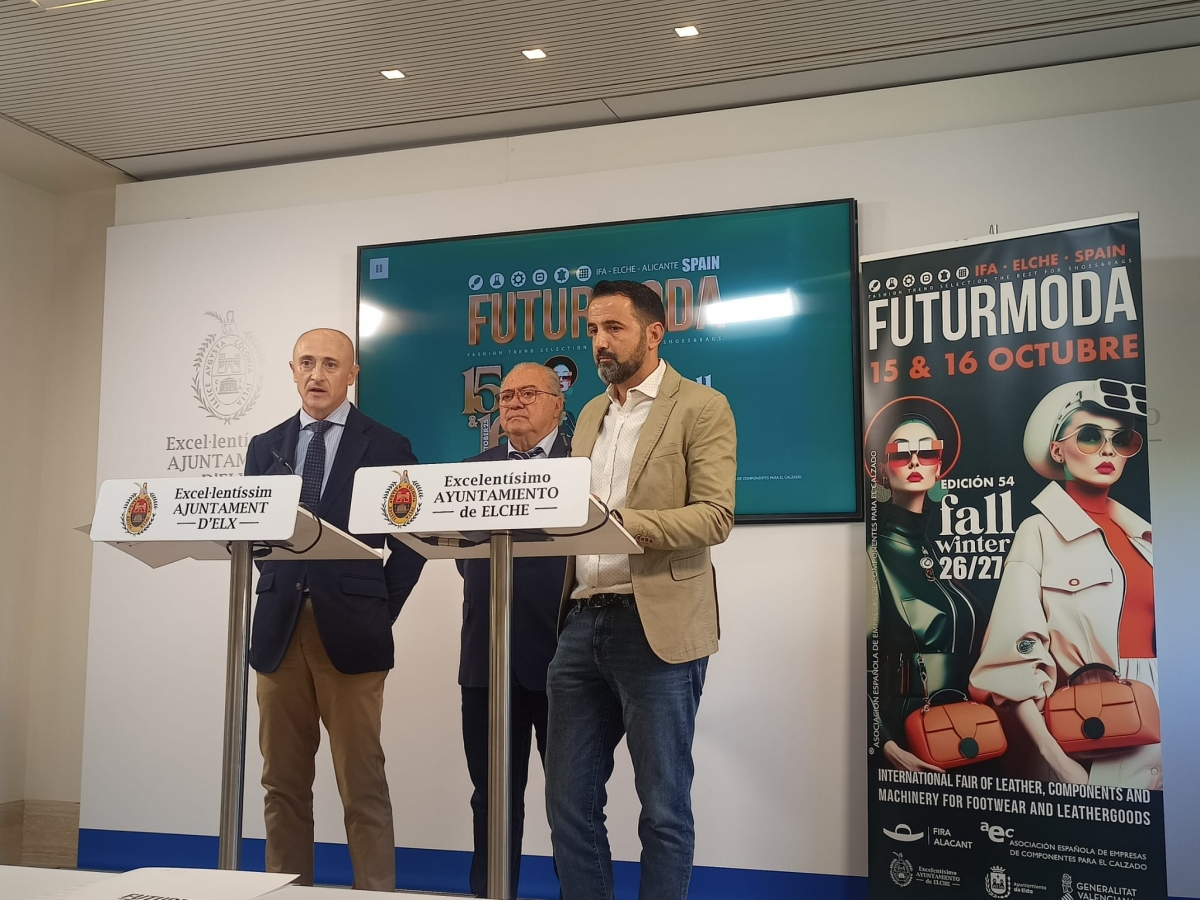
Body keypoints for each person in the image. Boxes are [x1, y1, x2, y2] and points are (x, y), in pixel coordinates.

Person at [544, 280, 737, 900]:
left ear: (655, 333)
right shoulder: (589, 415)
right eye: (592, 330)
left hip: (656, 624)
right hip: (580, 622)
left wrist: (624, 525)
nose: (599, 342)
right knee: (568, 803)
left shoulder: (701, 406)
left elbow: (715, 516)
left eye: (614, 328)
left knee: (663, 807)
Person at [245, 328, 425, 890]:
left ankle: (374, 893)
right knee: (281, 783)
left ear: (352, 374)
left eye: (330, 364)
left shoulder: (387, 445)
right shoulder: (264, 446)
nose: (317, 374)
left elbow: (412, 543)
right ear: (292, 370)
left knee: (361, 783)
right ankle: (286, 891)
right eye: (306, 363)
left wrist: (375, 607)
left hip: (352, 635)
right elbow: (253, 537)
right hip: (278, 632)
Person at [969, 379, 1159, 788]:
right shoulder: (1038, 532)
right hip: (1092, 734)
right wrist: (1057, 760)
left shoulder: (1146, 539)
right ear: (1057, 450)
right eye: (1090, 436)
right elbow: (1011, 661)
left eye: (1120, 439)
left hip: (1167, 725)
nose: (1108, 450)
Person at [456, 362, 570, 897]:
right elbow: (463, 561)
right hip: (486, 660)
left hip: (567, 660)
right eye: (505, 396)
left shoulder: (583, 466)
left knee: (573, 802)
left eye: (528, 393)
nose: (514, 403)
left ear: (558, 405)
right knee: (492, 798)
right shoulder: (470, 471)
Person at [867, 407, 982, 773]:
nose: (915, 460)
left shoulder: (939, 552)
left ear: (939, 467)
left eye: (927, 451)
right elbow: (854, 666)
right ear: (883, 470)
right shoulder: (873, 554)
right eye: (901, 453)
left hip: (968, 731)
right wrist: (887, 746)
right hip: (908, 737)